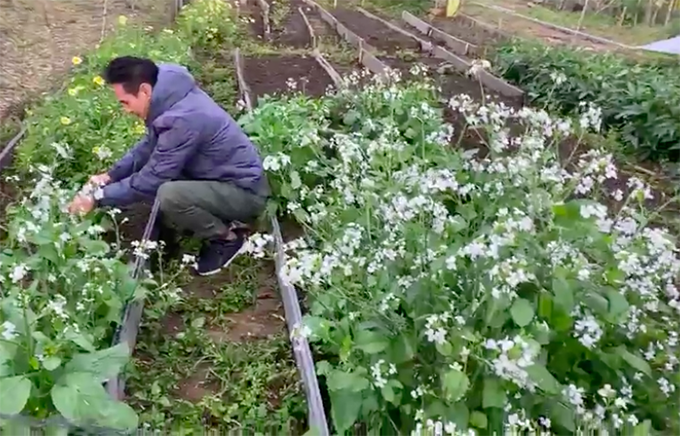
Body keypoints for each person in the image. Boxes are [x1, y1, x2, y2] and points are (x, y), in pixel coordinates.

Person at [68, 56, 270, 276]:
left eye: (125, 102)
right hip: (221, 176)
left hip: (245, 193)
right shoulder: (167, 93)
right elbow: (148, 146)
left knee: (169, 194)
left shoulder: (182, 119)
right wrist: (110, 176)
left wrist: (97, 198)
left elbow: (151, 179)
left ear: (144, 91)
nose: (125, 110)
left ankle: (227, 238)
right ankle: (208, 214)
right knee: (167, 180)